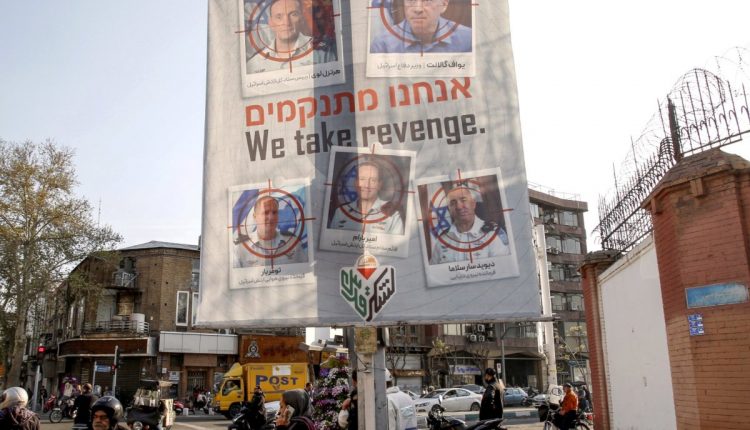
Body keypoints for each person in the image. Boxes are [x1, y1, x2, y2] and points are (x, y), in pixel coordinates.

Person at [247, 0, 337, 73]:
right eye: (279, 17)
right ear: (271, 23)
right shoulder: (254, 64)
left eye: (293, 14)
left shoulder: (323, 53)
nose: (286, 23)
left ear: (301, 19)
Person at [429, 183, 510, 264]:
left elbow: (503, 266)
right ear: (449, 209)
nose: (459, 206)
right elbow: (434, 270)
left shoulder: (491, 234)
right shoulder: (443, 239)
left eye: (463, 200)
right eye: (453, 203)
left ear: (473, 203)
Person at [329, 161, 404, 234]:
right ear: (356, 183)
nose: (366, 185)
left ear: (379, 185)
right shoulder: (341, 212)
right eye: (362, 179)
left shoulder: (393, 214)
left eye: (373, 180)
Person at [370, 0, 472, 54]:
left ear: (443, 5)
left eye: (427, 0)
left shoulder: (468, 39)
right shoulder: (383, 45)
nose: (418, 9)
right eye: (411, 0)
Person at [235, 195, 306, 267]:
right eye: (266, 212)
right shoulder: (241, 247)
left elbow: (306, 271)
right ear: (255, 216)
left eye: (274, 212)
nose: (271, 217)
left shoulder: (293, 243)